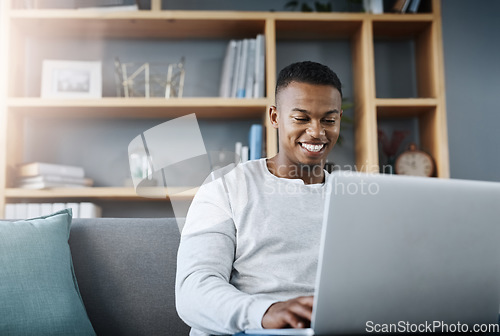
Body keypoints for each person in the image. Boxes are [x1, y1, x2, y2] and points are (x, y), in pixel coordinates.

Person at [175, 61, 343, 336]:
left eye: (329, 119)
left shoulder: (354, 197)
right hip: (250, 329)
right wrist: (264, 313)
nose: (316, 131)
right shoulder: (225, 186)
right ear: (275, 117)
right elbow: (193, 290)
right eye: (301, 118)